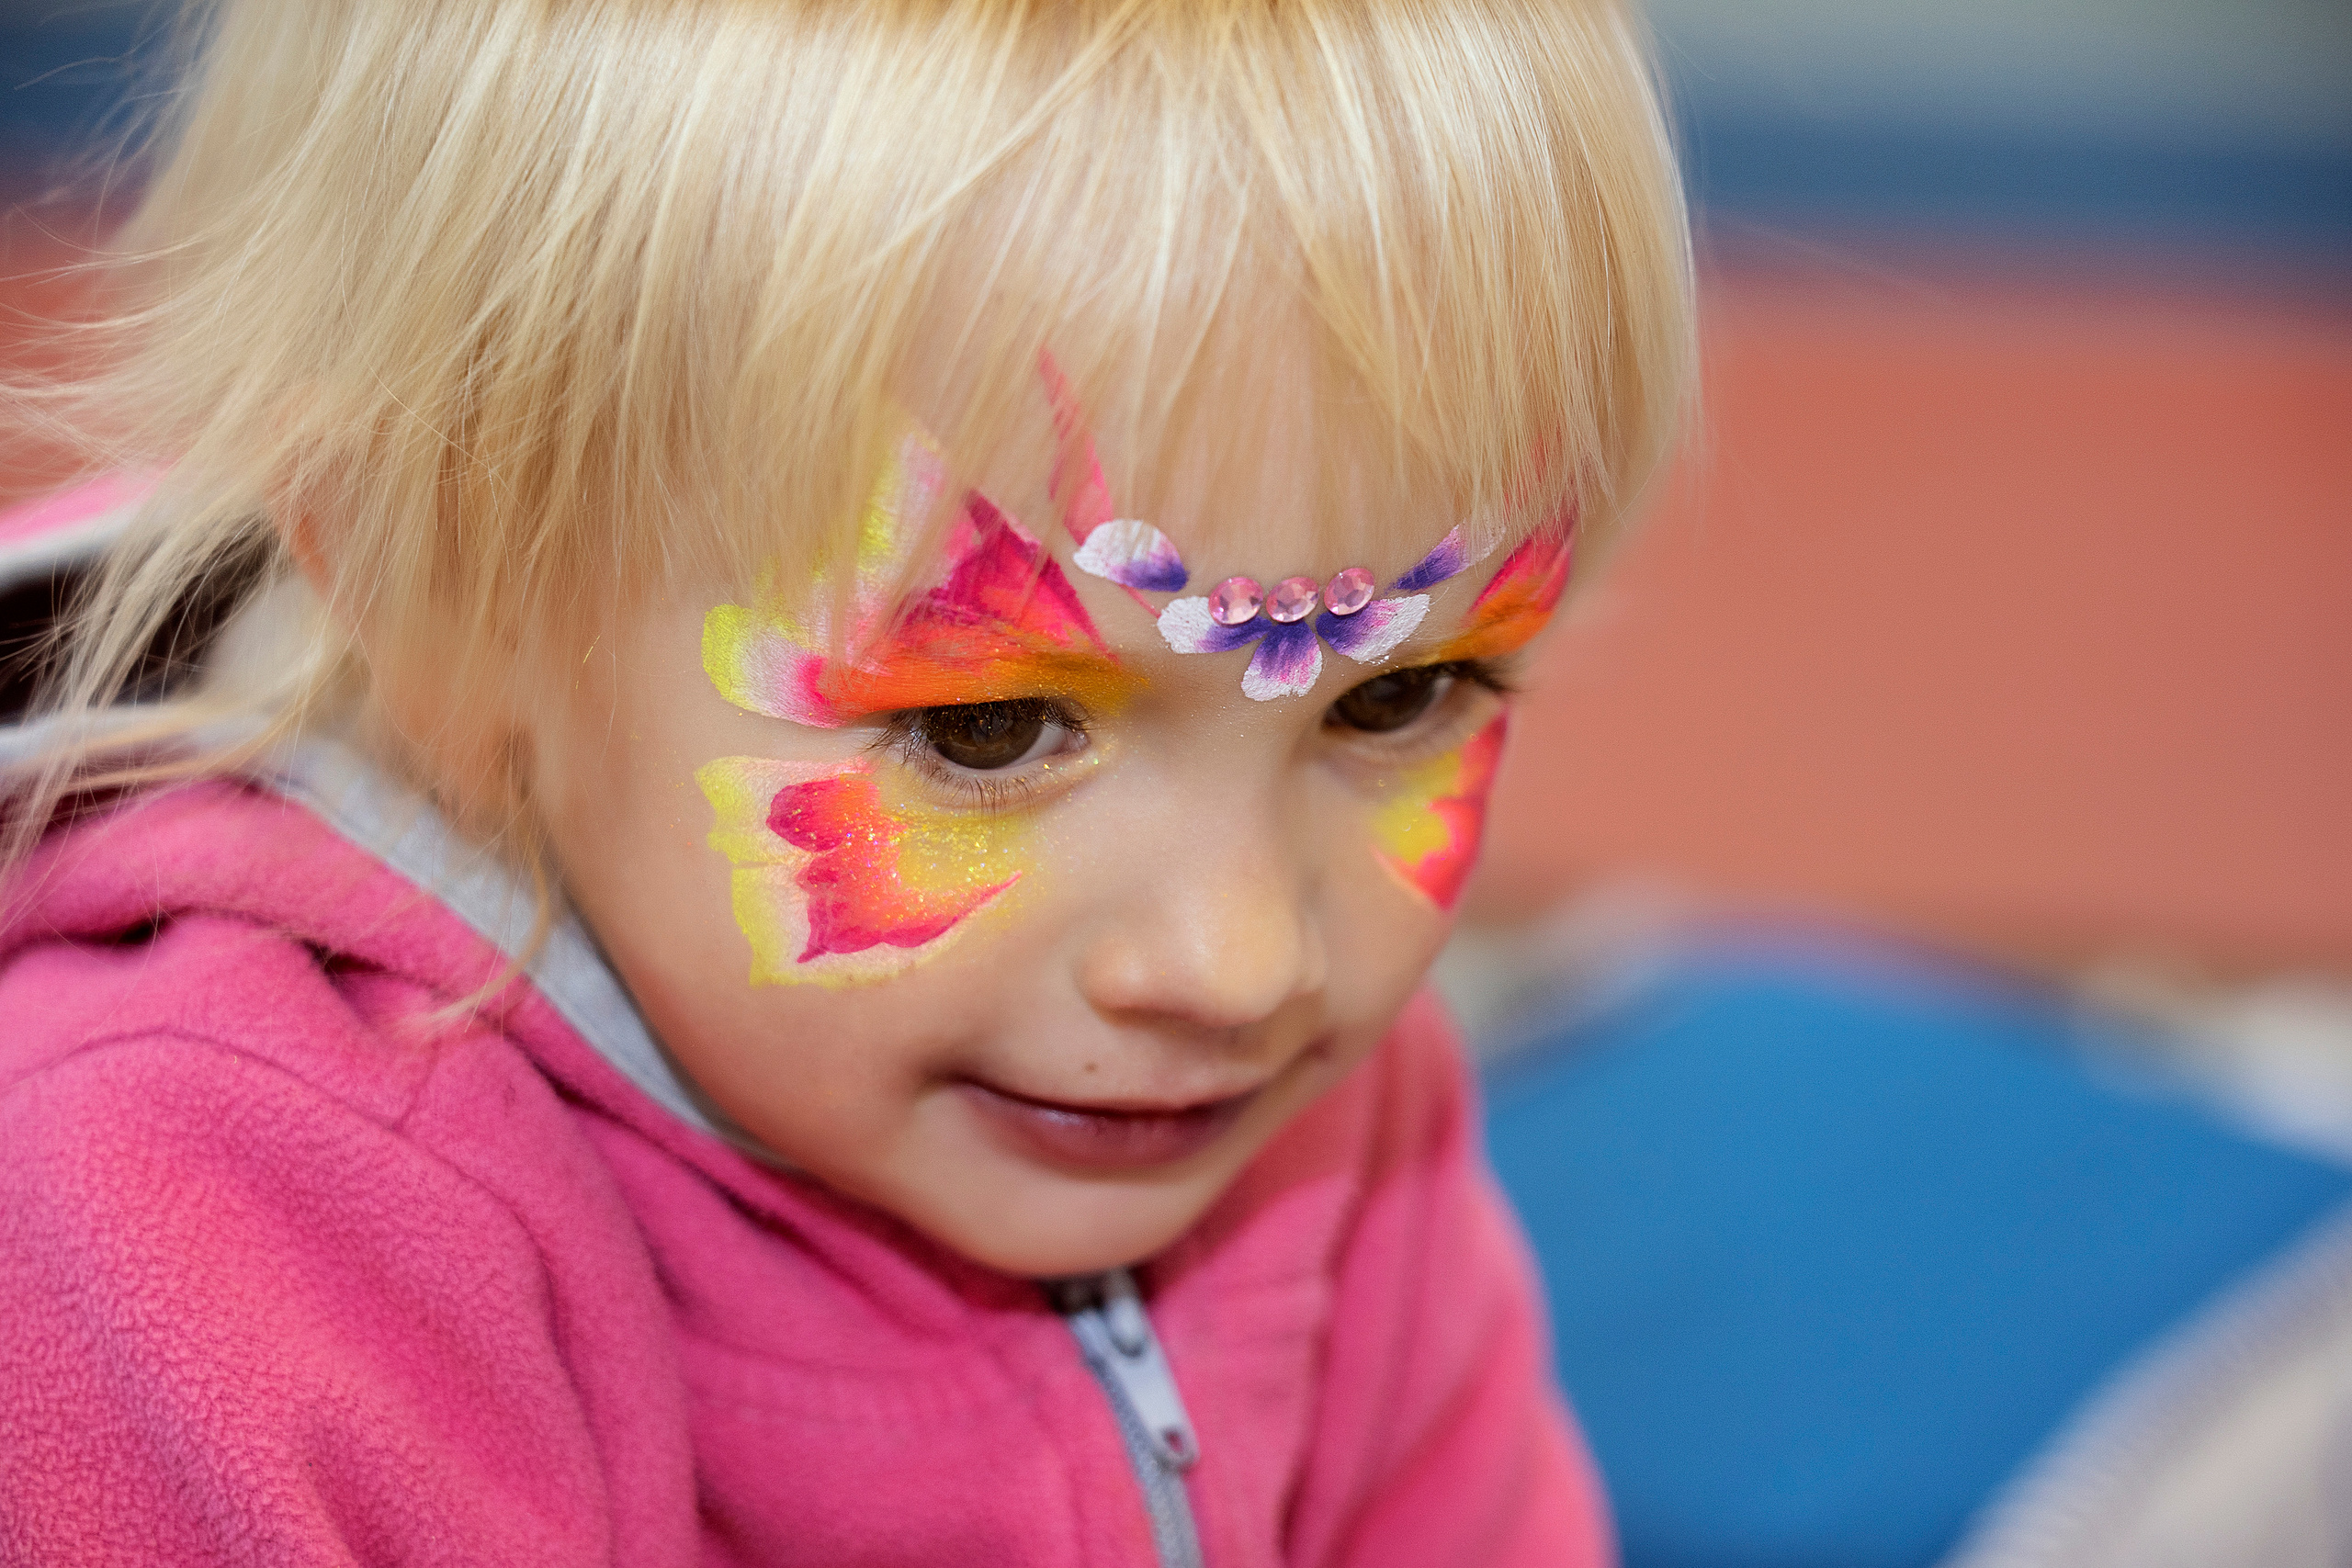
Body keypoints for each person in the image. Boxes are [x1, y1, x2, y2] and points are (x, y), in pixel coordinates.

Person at [0, 1, 1693, 1562]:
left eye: (1402, 694)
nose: (1244, 961)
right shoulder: (183, 1243)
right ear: (433, 592)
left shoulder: (1331, 1133)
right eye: (987, 731)